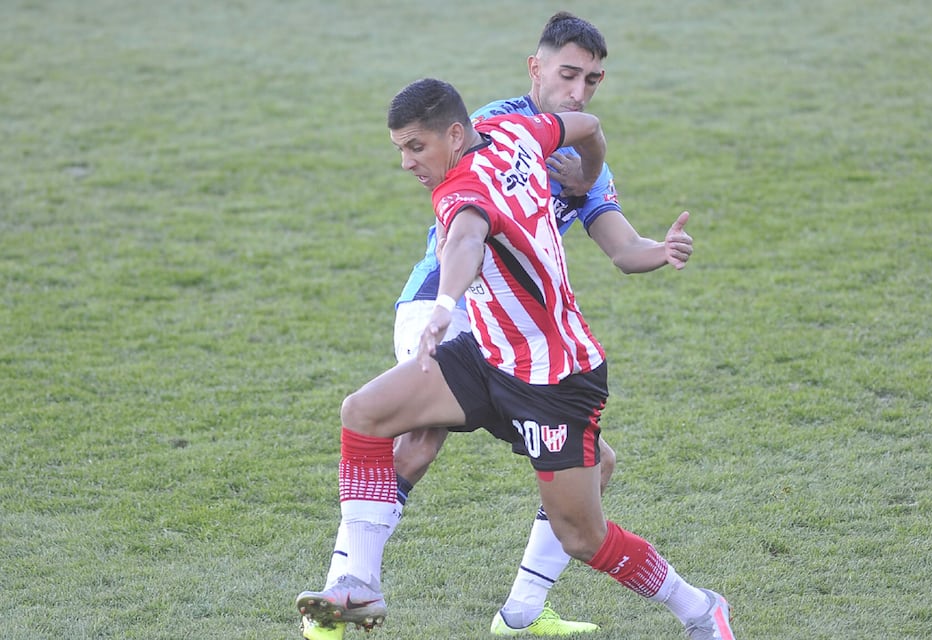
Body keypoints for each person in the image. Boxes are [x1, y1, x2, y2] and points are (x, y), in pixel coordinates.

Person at [295, 77, 735, 640]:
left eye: (415, 147)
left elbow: (464, 243)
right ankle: (358, 580)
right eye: (400, 149)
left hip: (554, 379)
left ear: (455, 136)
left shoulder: (461, 191)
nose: (406, 163)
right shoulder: (514, 130)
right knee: (364, 412)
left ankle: (700, 609)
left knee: (583, 537)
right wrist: (590, 172)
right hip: (488, 354)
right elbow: (592, 129)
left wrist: (445, 302)